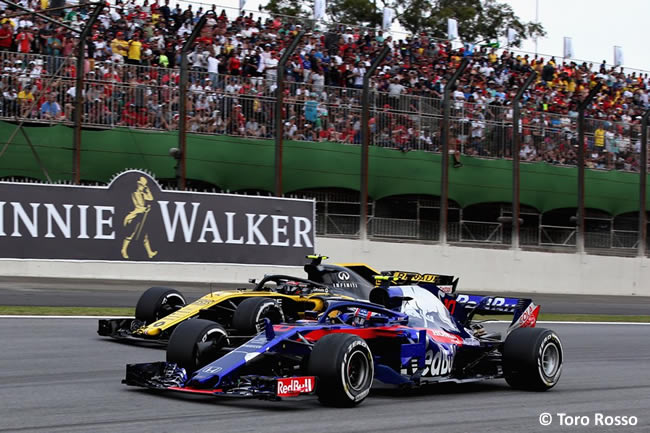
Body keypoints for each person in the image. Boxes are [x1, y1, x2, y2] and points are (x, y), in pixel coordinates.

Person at [121, 176, 158, 259]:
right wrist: (146, 209)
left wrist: (147, 189)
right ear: (138, 184)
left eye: (143, 186)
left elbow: (151, 198)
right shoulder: (135, 193)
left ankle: (149, 253)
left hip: (141, 217)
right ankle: (123, 250)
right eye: (141, 185)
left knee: (144, 235)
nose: (142, 187)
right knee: (131, 234)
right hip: (135, 216)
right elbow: (139, 206)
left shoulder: (143, 194)